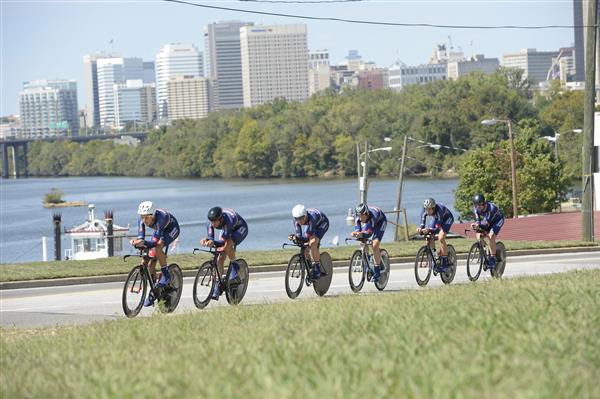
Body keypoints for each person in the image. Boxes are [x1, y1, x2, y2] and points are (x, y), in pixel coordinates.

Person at [130, 201, 180, 306]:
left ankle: (166, 274)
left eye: (146, 218)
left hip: (172, 229)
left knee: (157, 247)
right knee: (149, 260)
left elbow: (154, 242)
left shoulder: (160, 219)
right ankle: (154, 290)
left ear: (152, 215)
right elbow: (141, 237)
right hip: (160, 231)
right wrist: (137, 242)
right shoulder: (142, 220)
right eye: (142, 217)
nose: (144, 220)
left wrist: (144, 243)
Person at [200, 207, 248, 299]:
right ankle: (218, 283)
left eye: (215, 221)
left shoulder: (228, 221)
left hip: (240, 228)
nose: (213, 224)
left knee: (227, 245)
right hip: (227, 229)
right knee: (221, 257)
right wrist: (207, 241)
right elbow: (211, 238)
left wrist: (213, 243)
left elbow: (222, 242)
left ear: (221, 219)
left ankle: (235, 265)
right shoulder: (210, 223)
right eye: (211, 222)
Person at [288, 204, 329, 280]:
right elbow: (299, 235)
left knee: (312, 243)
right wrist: (295, 237)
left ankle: (317, 268)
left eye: (301, 218)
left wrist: (299, 238)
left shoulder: (312, 218)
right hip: (311, 225)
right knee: (304, 245)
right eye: (297, 219)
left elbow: (307, 237)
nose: (299, 221)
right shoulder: (296, 220)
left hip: (322, 224)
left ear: (305, 215)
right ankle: (310, 266)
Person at [351, 203, 387, 282]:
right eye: (359, 215)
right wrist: (356, 233)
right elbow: (358, 229)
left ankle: (377, 271)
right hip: (369, 223)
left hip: (380, 222)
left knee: (375, 245)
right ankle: (367, 261)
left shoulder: (372, 216)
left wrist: (362, 234)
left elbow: (369, 233)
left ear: (366, 214)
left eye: (362, 215)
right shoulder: (358, 218)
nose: (360, 218)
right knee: (362, 240)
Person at [417, 198, 454, 273]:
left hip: (447, 219)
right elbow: (422, 223)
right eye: (426, 209)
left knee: (441, 238)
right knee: (429, 237)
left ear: (433, 208)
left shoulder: (439, 209)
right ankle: (435, 257)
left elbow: (437, 228)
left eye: (429, 209)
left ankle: (445, 261)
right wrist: (420, 229)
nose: (427, 211)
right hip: (436, 218)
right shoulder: (424, 210)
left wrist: (429, 229)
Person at [470, 193, 505, 269]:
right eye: (476, 205)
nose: (478, 207)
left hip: (497, 220)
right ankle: (486, 249)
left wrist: (479, 225)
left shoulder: (492, 208)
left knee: (491, 236)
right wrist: (476, 225)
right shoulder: (476, 209)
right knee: (479, 235)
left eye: (480, 205)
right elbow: (478, 221)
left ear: (484, 203)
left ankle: (492, 258)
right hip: (487, 220)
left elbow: (486, 224)